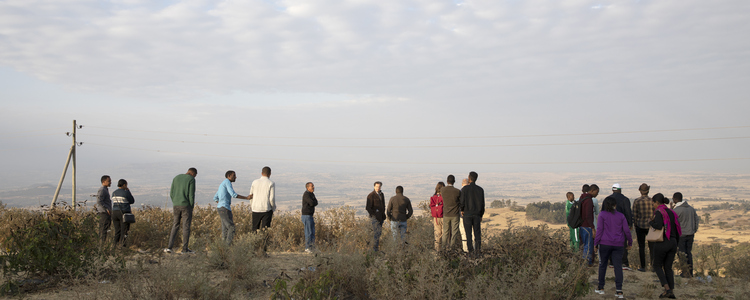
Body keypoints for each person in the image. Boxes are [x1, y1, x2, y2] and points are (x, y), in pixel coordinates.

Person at [594, 197, 633, 299]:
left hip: (604, 243)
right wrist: (630, 242)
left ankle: (601, 287)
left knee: (602, 265)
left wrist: (596, 244)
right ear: (615, 205)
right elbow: (626, 230)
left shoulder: (602, 215)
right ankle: (619, 290)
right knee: (618, 266)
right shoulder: (621, 216)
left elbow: (599, 230)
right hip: (618, 244)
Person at [650, 193, 682, 299]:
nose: (653, 205)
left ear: (657, 202)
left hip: (662, 242)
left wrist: (651, 222)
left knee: (657, 266)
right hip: (673, 242)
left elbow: (658, 226)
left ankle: (667, 288)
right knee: (668, 267)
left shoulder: (659, 212)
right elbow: (677, 229)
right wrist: (676, 243)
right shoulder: (671, 212)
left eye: (653, 203)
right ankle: (670, 291)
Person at [165, 167, 197, 254]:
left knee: (175, 225)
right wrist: (191, 206)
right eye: (195, 175)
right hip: (186, 205)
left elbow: (171, 193)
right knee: (186, 227)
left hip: (176, 205)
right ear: (193, 173)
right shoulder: (191, 179)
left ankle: (169, 247)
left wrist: (175, 201)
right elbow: (191, 195)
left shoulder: (176, 178)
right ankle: (184, 249)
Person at [214, 170, 250, 245]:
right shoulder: (227, 182)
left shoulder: (222, 184)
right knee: (231, 228)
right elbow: (233, 194)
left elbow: (215, 198)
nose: (235, 177)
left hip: (220, 208)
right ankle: (227, 246)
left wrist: (221, 203)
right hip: (225, 208)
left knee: (225, 229)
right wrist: (246, 198)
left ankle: (223, 248)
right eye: (234, 175)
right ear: (229, 176)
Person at [607, 183, 633, 270]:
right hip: (622, 225)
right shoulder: (625, 199)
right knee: (623, 243)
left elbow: (603, 212)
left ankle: (612, 262)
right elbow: (628, 213)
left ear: (612, 190)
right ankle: (624, 263)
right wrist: (630, 224)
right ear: (620, 190)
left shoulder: (607, 199)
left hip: (609, 225)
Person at [673, 192, 698, 278]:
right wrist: (694, 230)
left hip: (681, 235)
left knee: (682, 254)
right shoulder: (691, 209)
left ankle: (684, 272)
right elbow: (696, 220)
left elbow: (672, 223)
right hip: (690, 234)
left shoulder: (676, 210)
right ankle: (690, 272)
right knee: (688, 253)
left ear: (675, 199)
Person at [459, 171, 485, 254]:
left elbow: (462, 201)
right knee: (477, 234)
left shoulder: (465, 189)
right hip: (477, 215)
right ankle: (478, 251)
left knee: (468, 234)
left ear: (469, 178)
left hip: (467, 214)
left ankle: (470, 251)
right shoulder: (480, 190)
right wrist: (481, 214)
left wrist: (462, 210)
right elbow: (482, 204)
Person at [631, 183, 654, 272]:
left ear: (640, 191)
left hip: (640, 226)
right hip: (651, 226)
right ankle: (653, 266)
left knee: (641, 247)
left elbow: (634, 215)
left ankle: (643, 266)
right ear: (648, 191)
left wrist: (636, 224)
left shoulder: (637, 201)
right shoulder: (652, 201)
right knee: (652, 247)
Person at [249, 166, 276, 231]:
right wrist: (273, 208)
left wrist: (252, 206)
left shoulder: (254, 182)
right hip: (266, 209)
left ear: (261, 173)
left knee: (254, 229)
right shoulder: (271, 183)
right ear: (270, 174)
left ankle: (254, 241)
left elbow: (251, 196)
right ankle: (264, 241)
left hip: (255, 208)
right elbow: (271, 198)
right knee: (265, 230)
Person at [111, 179, 135, 248]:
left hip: (115, 212)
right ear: (124, 185)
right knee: (124, 230)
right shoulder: (125, 192)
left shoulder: (114, 193)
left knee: (117, 230)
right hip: (123, 212)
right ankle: (122, 245)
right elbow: (132, 201)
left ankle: (114, 245)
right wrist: (128, 191)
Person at [440, 175, 461, 251]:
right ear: (454, 181)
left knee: (445, 232)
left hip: (446, 214)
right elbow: (460, 202)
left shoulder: (443, 190)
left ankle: (443, 248)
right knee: (454, 232)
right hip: (455, 214)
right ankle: (452, 248)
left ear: (447, 181)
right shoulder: (457, 191)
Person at [580, 184, 599, 266]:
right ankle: (586, 263)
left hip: (581, 226)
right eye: (596, 192)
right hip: (587, 226)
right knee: (588, 245)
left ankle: (586, 262)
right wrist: (592, 227)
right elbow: (588, 215)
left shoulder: (582, 198)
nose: (597, 194)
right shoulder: (589, 201)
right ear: (592, 190)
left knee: (585, 245)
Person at [366, 181, 386, 252]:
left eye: (379, 186)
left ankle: (376, 247)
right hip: (374, 218)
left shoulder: (382, 194)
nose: (378, 188)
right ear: (374, 187)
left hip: (381, 217)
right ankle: (374, 249)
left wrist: (383, 214)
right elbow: (368, 208)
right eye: (377, 186)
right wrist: (374, 215)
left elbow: (383, 205)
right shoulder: (371, 195)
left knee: (379, 233)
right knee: (376, 233)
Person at [301, 182, 318, 253]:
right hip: (306, 215)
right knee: (308, 232)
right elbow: (312, 203)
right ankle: (307, 247)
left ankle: (312, 247)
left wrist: (314, 202)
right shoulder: (306, 195)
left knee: (312, 232)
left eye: (313, 185)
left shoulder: (312, 194)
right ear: (308, 188)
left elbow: (316, 202)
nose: (313, 187)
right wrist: (313, 202)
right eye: (312, 186)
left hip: (310, 215)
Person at [96, 175, 112, 242]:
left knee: (105, 229)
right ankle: (101, 245)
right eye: (109, 181)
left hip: (105, 212)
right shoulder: (102, 190)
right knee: (103, 229)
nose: (110, 182)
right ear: (103, 181)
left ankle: (102, 244)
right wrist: (106, 209)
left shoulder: (105, 189)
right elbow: (99, 201)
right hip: (103, 213)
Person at [430, 182, 445, 251]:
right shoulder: (444, 197)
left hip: (436, 218)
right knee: (445, 234)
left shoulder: (433, 197)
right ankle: (445, 250)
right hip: (443, 217)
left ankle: (437, 250)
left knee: (437, 234)